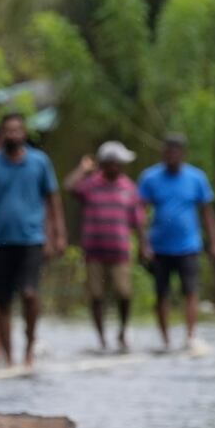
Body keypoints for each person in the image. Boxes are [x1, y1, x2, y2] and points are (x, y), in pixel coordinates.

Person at [0, 113, 65, 368]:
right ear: (1, 135)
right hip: (0, 240)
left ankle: (29, 348)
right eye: (8, 131)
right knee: (2, 299)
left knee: (29, 293)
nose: (13, 135)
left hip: (32, 238)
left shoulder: (39, 162)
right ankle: (9, 356)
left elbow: (52, 199)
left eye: (17, 130)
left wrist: (57, 234)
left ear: (24, 133)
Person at [138, 134, 215, 352]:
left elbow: (207, 212)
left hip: (188, 245)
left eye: (175, 152)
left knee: (190, 290)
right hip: (159, 246)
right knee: (161, 293)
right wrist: (143, 242)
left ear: (183, 154)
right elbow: (141, 213)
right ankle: (164, 339)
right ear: (162, 153)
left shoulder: (196, 178)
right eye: (167, 152)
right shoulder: (150, 178)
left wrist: (214, 241)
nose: (171, 156)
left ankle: (190, 335)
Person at [65, 139, 143, 352]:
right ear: (105, 164)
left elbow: (138, 220)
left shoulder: (129, 188)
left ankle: (122, 331)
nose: (117, 167)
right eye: (113, 162)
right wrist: (83, 169)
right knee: (96, 296)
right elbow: (69, 186)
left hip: (120, 253)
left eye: (120, 163)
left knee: (124, 293)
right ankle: (101, 338)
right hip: (94, 253)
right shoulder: (90, 185)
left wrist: (145, 245)